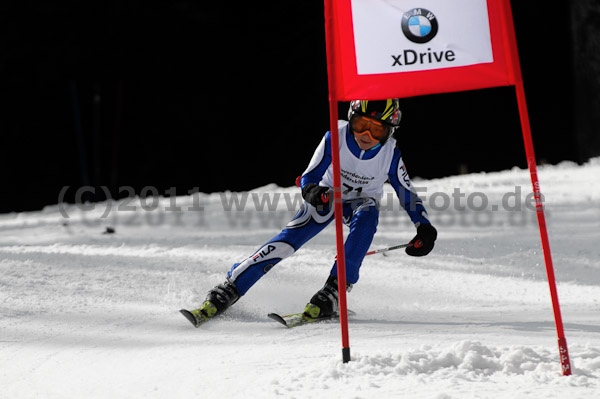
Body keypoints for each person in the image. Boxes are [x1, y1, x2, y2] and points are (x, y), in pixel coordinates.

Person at [181, 99, 437, 327]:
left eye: (377, 129)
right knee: (289, 240)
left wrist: (423, 226)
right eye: (360, 124)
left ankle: (334, 290)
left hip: (360, 202)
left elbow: (407, 194)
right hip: (327, 197)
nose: (366, 134)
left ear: (389, 131)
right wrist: (313, 192)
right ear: (351, 118)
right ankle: (230, 287)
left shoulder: (390, 153)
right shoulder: (335, 136)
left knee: (368, 216)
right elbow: (309, 177)